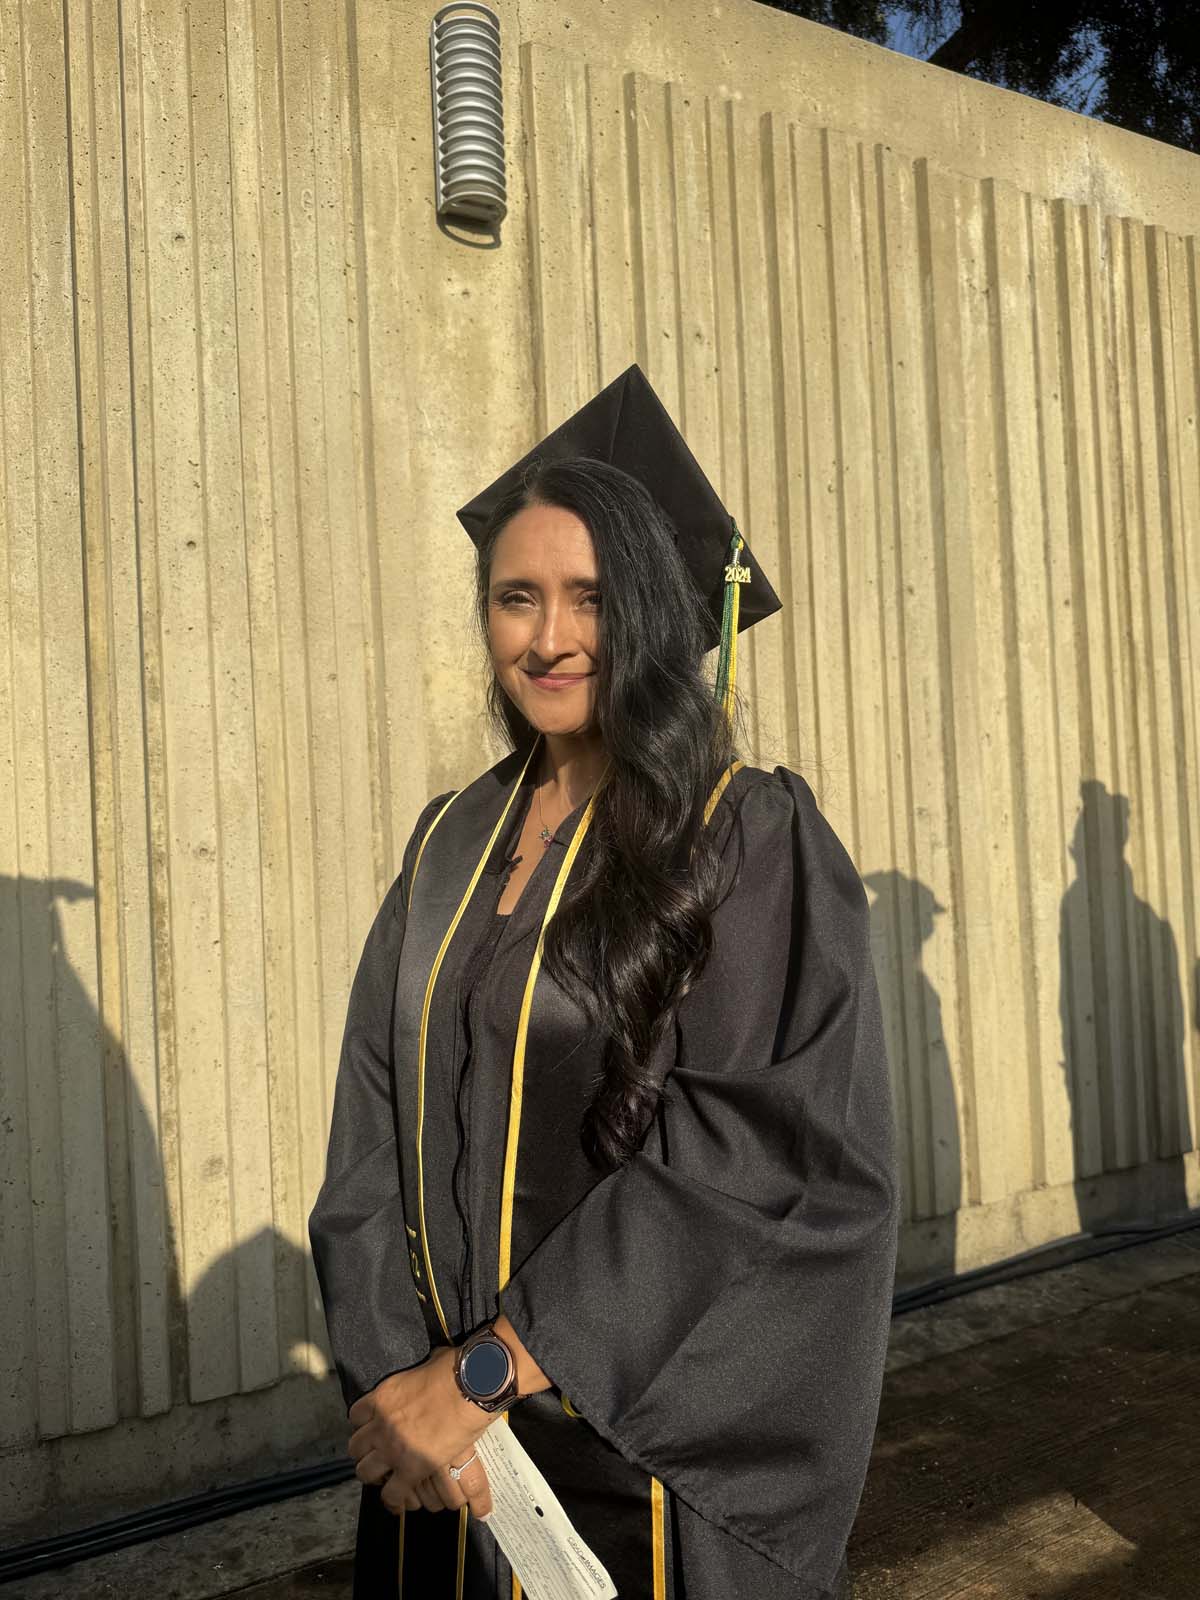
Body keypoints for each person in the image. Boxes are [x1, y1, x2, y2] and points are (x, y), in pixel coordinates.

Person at [308, 364, 899, 1600]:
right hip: (443, 1460)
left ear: (652, 610)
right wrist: (397, 1391)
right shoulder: (449, 842)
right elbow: (370, 1125)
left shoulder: (742, 835)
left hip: (633, 1456)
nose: (550, 637)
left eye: (589, 597)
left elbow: (752, 1157)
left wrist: (490, 1370)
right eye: (515, 597)